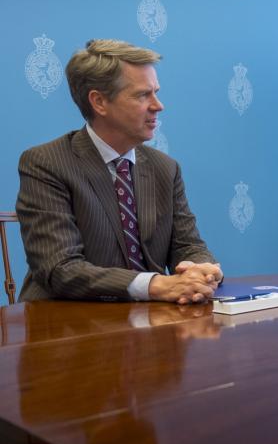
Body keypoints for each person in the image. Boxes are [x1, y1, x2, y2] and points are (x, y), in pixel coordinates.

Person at [16, 39, 223, 303]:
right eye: (142, 95)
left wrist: (202, 269)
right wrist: (155, 285)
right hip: (65, 327)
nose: (158, 105)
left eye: (156, 92)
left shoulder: (165, 168)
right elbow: (61, 269)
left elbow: (188, 245)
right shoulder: (46, 163)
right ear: (99, 102)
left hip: (149, 324)